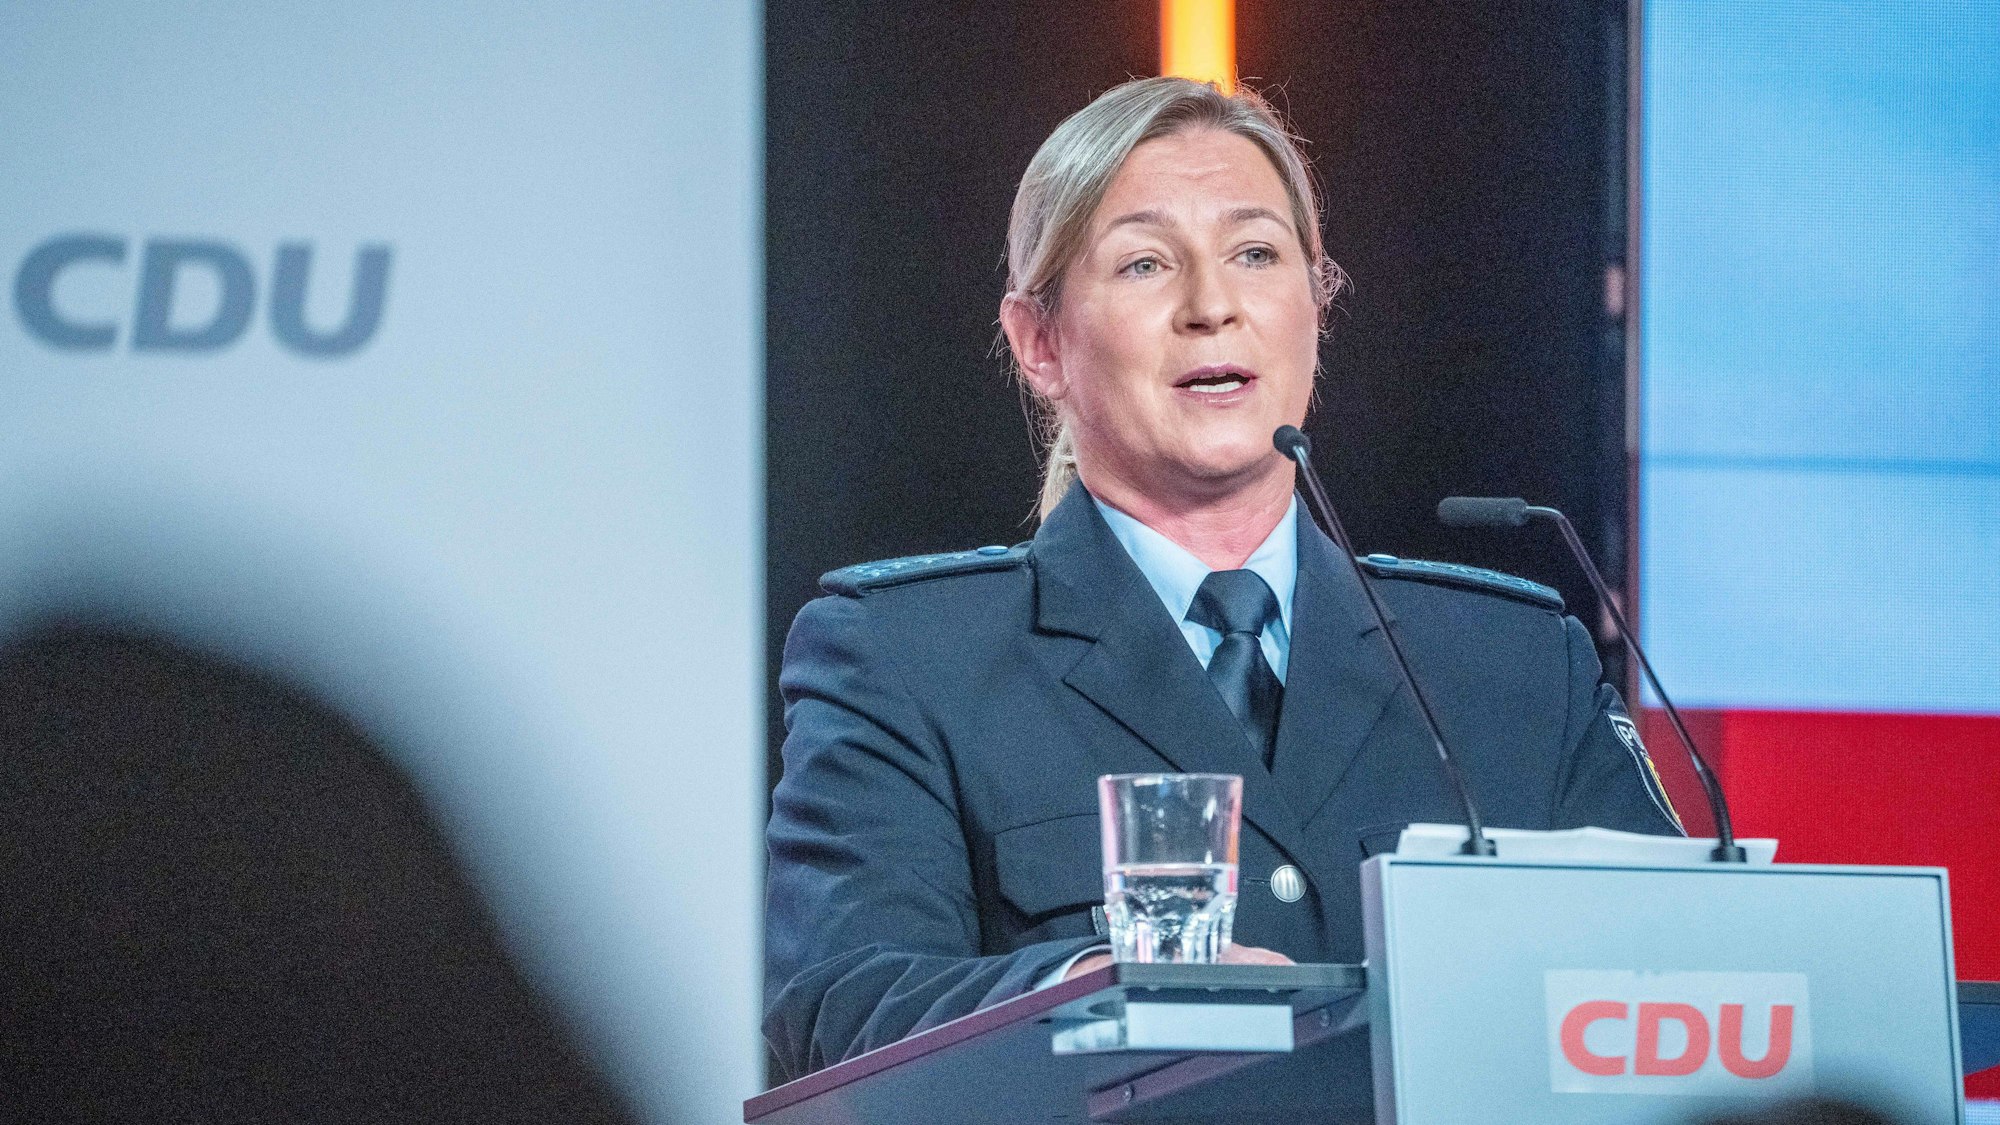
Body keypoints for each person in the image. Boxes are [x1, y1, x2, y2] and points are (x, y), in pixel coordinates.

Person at [762, 76, 1682, 1083]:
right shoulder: (907, 656)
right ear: (1039, 343)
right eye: (1146, 263)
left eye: (1254, 253)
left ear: (1315, 304)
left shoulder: (1511, 663)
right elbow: (842, 1004)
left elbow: (1684, 978)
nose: (1211, 307)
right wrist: (1109, 985)